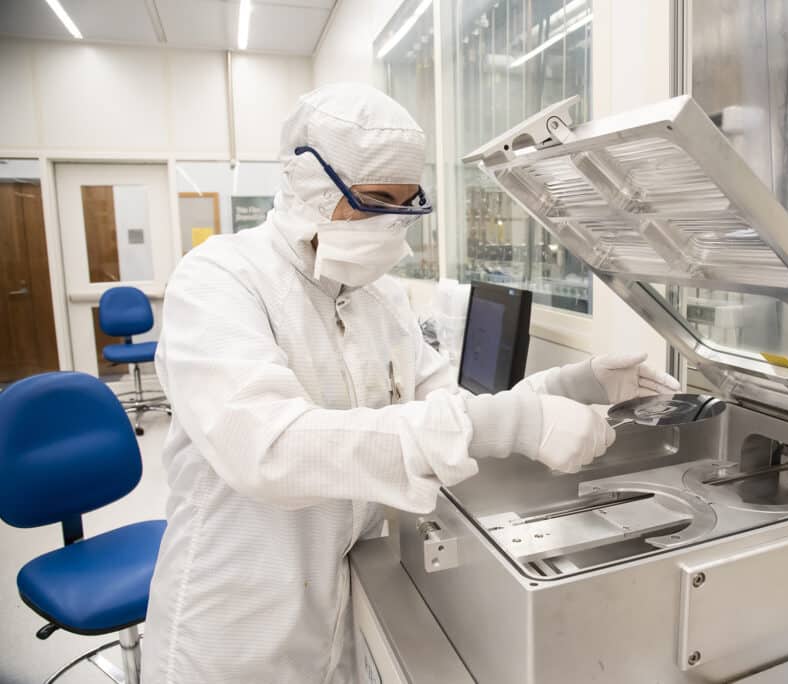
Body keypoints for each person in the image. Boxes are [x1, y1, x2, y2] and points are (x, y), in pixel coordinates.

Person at [141, 82, 680, 683]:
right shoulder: (219, 280)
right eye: (374, 201)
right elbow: (271, 450)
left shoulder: (382, 300)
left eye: (404, 204)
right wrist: (518, 421)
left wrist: (568, 385)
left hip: (339, 607)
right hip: (236, 627)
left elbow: (454, 415)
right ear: (309, 183)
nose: (390, 225)